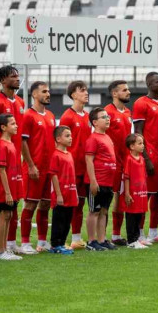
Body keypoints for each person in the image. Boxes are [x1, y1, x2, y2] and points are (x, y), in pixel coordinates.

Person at [0, 65, 25, 253]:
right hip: (2, 159)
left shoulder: (20, 102)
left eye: (18, 76)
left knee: (13, 205)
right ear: (3, 80)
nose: (17, 79)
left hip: (15, 158)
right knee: (0, 205)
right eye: (13, 76)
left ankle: (11, 244)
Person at [19, 81, 56, 254]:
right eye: (44, 91)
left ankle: (42, 241)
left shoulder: (50, 115)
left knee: (45, 205)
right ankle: (25, 243)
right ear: (34, 94)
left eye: (48, 91)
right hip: (34, 168)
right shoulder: (28, 115)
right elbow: (23, 142)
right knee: (30, 205)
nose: (48, 94)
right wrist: (31, 165)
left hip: (49, 168)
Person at [133, 72, 158, 243]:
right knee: (145, 195)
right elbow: (138, 131)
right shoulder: (141, 103)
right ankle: (139, 233)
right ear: (149, 84)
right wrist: (145, 157)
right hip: (151, 154)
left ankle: (153, 232)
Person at [59, 80, 91, 250]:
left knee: (80, 203)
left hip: (84, 167)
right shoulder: (67, 116)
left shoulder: (86, 116)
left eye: (86, 90)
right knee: (67, 204)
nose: (86, 93)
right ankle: (60, 238)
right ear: (73, 95)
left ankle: (76, 238)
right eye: (82, 90)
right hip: (70, 167)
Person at [84, 108, 117, 251]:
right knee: (94, 211)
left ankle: (102, 240)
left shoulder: (107, 137)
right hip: (98, 181)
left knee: (104, 211)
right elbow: (89, 160)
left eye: (108, 116)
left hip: (108, 182)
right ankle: (91, 242)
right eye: (104, 117)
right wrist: (93, 181)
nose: (107, 118)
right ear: (95, 122)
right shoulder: (93, 138)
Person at [105, 80, 134, 245]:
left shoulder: (128, 112)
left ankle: (116, 235)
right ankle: (102, 237)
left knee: (120, 199)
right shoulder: (107, 112)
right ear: (114, 93)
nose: (128, 92)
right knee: (108, 200)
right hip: (110, 163)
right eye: (124, 90)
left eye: (128, 89)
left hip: (125, 161)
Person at [0, 114, 23, 261]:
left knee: (9, 216)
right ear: (3, 127)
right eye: (12, 123)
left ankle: (5, 249)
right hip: (5, 189)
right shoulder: (2, 145)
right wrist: (7, 192)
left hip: (12, 187)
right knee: (4, 216)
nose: (16, 126)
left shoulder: (10, 144)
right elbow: (2, 170)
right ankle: (1, 250)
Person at [47, 126, 77, 254]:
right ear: (58, 139)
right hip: (61, 195)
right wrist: (58, 194)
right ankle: (55, 245)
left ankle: (62, 243)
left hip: (70, 194)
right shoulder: (55, 155)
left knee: (67, 221)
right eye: (67, 136)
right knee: (58, 220)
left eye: (70, 135)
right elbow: (53, 175)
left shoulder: (69, 154)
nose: (70, 138)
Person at [123, 134, 151, 249]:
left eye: (143, 143)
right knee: (132, 216)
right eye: (140, 143)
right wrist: (127, 193)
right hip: (133, 193)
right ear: (132, 146)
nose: (142, 145)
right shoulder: (129, 159)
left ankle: (137, 238)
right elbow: (127, 177)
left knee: (140, 215)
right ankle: (131, 240)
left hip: (142, 193)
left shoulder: (142, 159)